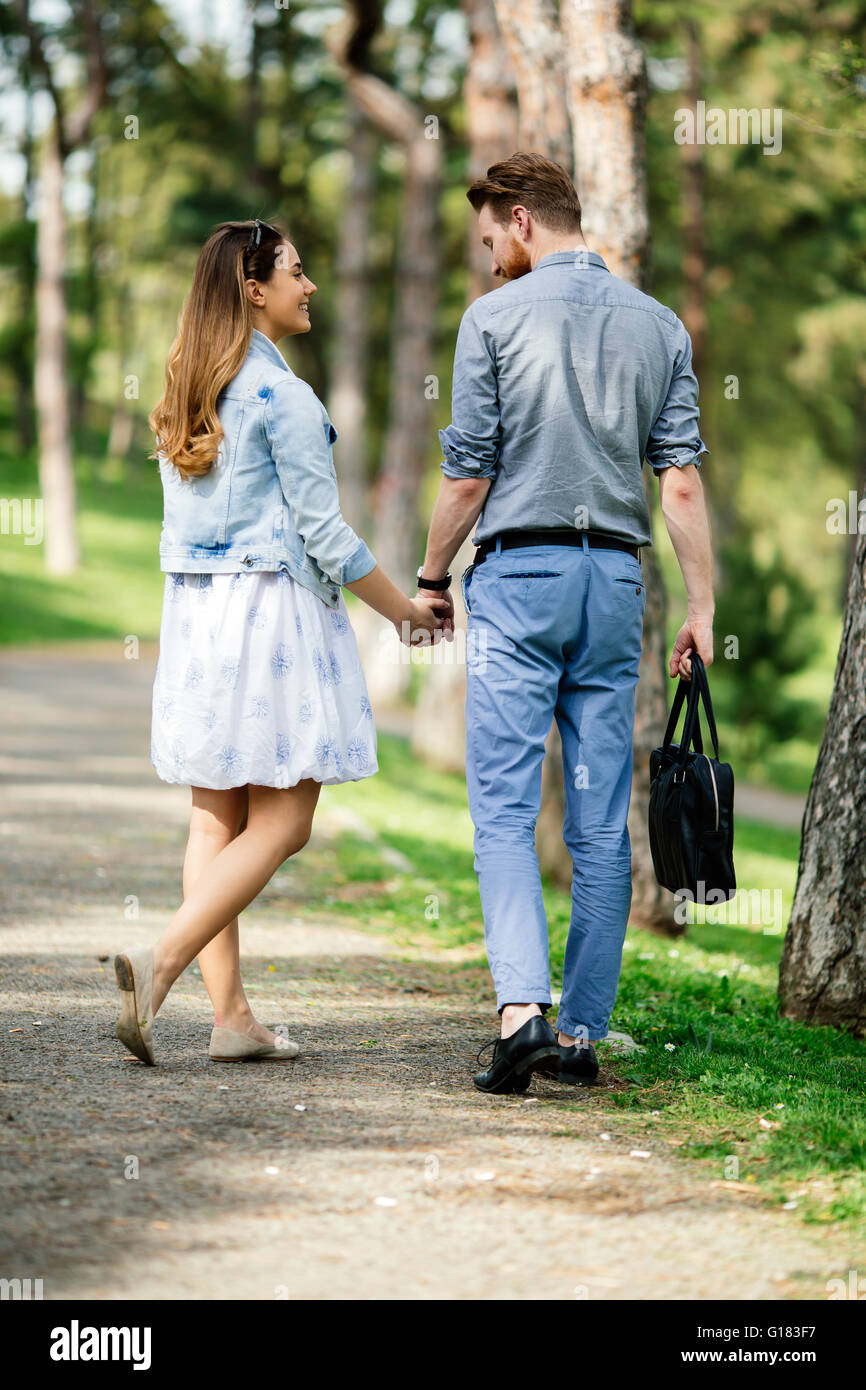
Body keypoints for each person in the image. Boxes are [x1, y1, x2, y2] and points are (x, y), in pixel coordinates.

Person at [415, 154, 715, 1094]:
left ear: (521, 218)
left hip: (521, 578)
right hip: (614, 588)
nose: (491, 257)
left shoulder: (494, 319)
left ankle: (520, 1016)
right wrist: (701, 606)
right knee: (596, 820)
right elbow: (680, 480)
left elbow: (467, 474)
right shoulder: (659, 324)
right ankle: (580, 1037)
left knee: (503, 807)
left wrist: (430, 574)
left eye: (491, 238)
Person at [114, 218, 446, 1067]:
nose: (311, 286)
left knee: (214, 817)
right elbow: (327, 536)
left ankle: (231, 1022)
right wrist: (405, 612)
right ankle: (162, 960)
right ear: (253, 289)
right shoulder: (284, 397)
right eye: (297, 272)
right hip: (271, 615)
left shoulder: (186, 392)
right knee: (287, 817)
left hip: (196, 618)